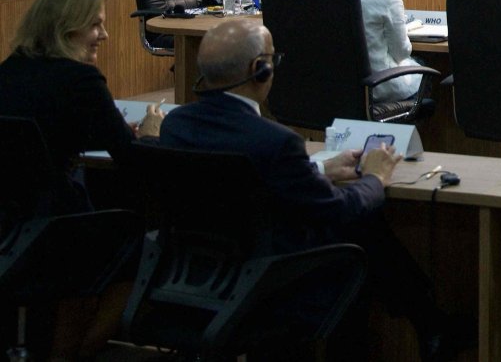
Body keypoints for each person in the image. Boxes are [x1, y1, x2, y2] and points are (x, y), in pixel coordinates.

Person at [158, 18, 458, 360]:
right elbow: (337, 208)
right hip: (270, 283)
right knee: (359, 231)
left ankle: (429, 321)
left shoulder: (175, 126)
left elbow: (239, 180)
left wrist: (315, 169)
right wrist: (374, 177)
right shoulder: (276, 142)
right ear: (260, 70)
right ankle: (427, 320)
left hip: (196, 275)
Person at [0, 0, 162, 211]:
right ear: (65, 28)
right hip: (61, 222)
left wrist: (111, 128)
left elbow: (42, 135)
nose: (104, 35)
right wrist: (150, 135)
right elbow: (133, 160)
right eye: (95, 25)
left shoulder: (9, 69)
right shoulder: (82, 80)